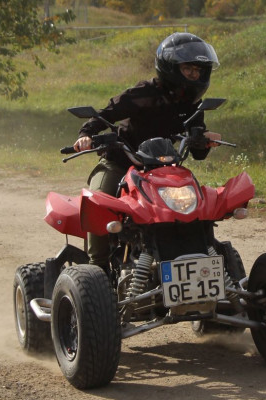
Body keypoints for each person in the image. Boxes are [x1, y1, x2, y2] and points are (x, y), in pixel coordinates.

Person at [72, 32, 222, 270]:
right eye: (188, 69)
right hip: (120, 163)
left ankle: (204, 255)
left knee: (195, 205)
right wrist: (86, 135)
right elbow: (105, 114)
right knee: (99, 200)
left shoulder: (193, 106)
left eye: (198, 70)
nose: (195, 75)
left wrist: (204, 141)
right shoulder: (143, 93)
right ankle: (97, 268)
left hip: (162, 169)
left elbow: (198, 154)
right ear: (170, 67)